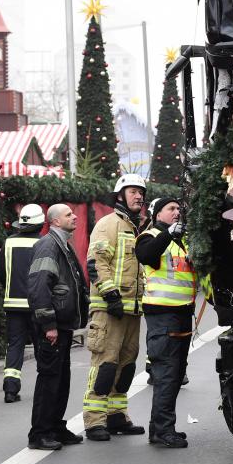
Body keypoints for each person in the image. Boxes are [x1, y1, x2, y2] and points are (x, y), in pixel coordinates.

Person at [82, 174, 147, 441]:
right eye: (133, 191)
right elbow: (96, 263)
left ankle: (116, 416)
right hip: (110, 308)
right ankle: (94, 421)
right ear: (120, 195)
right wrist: (111, 296)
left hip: (132, 310)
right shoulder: (108, 224)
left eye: (141, 192)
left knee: (127, 365)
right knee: (105, 365)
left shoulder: (137, 227)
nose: (139, 196)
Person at [26, 204, 89, 450]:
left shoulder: (62, 244)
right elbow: (39, 286)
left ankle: (55, 426)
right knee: (50, 378)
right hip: (52, 327)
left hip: (63, 325)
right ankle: (40, 433)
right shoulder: (48, 246)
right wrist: (48, 324)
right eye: (68, 215)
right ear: (55, 222)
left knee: (61, 379)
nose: (74, 216)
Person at [136, 197, 197, 448]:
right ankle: (163, 430)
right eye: (171, 209)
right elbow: (147, 255)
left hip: (182, 314)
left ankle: (159, 428)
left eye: (178, 209)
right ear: (157, 213)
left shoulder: (180, 242)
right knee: (166, 374)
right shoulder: (149, 236)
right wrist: (168, 235)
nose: (177, 212)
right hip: (162, 316)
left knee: (175, 374)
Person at [0, 204, 44, 404]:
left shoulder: (8, 243)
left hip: (13, 305)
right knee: (42, 346)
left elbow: (1, 273)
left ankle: (10, 389)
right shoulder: (44, 244)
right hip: (37, 305)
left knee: (15, 345)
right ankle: (45, 387)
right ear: (41, 224)